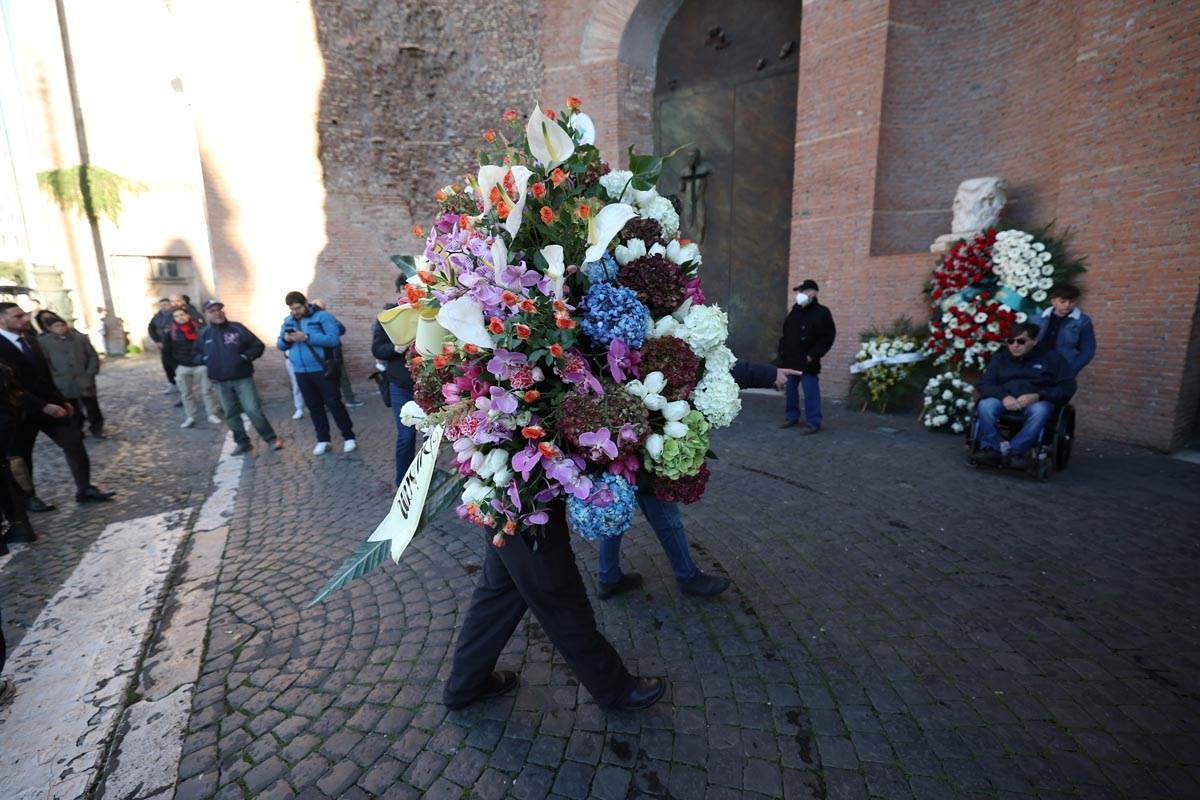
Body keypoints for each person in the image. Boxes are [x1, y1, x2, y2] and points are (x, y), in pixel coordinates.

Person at [597, 360, 801, 600]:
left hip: (619, 438)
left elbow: (710, 365)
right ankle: (686, 577)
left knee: (617, 508)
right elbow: (710, 366)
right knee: (652, 510)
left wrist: (767, 372)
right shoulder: (646, 336)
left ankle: (609, 577)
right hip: (634, 438)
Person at [443, 500, 666, 712]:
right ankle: (613, 687)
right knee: (559, 594)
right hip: (524, 503)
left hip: (506, 500)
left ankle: (465, 683)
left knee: (499, 593)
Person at [0, 302, 114, 505]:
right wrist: (42, 405)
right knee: (21, 457)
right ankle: (28, 499)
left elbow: (45, 376)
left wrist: (62, 401)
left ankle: (85, 489)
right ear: (2, 320)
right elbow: (8, 387)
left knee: (74, 443)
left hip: (51, 406)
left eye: (24, 315)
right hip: (20, 411)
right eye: (18, 317)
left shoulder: (31, 339)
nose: (26, 319)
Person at [975, 321, 1077, 468]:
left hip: (1036, 401)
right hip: (1004, 399)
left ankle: (1017, 451)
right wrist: (1003, 396)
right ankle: (992, 449)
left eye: (1021, 341)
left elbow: (1067, 386)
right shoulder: (1000, 358)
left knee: (1041, 410)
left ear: (1035, 341)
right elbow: (985, 383)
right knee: (985, 405)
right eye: (1011, 341)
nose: (1015, 345)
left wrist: (1038, 395)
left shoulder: (1053, 359)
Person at [197, 300, 283, 456]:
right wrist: (204, 360)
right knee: (230, 413)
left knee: (253, 409)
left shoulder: (237, 328)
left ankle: (271, 438)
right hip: (219, 381)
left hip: (242, 378)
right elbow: (195, 354)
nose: (218, 313)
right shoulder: (204, 334)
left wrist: (244, 357)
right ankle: (243, 442)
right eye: (212, 311)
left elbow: (258, 346)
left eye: (219, 309)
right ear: (206, 314)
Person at [276, 291, 356, 455]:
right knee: (314, 406)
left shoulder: (323, 317)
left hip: (321, 368)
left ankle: (349, 437)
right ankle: (323, 439)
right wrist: (286, 340)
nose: (295, 312)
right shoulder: (288, 321)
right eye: (292, 309)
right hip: (300, 371)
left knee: (334, 403)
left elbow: (333, 339)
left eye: (298, 308)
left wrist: (306, 336)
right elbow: (280, 344)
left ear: (305, 304)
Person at [777, 279, 836, 434]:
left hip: (807, 362)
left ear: (813, 293)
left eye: (803, 291)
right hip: (790, 361)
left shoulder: (822, 312)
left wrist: (813, 355)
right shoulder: (794, 313)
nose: (800, 294)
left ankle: (814, 421)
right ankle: (792, 416)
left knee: (810, 391)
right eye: (799, 292)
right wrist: (781, 355)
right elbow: (785, 335)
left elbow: (827, 337)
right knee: (790, 391)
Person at [36, 311, 105, 439]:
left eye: (62, 325)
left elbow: (92, 356)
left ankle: (97, 428)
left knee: (92, 406)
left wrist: (90, 373)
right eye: (57, 326)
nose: (61, 328)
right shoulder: (44, 342)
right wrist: (54, 377)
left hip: (84, 379)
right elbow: (45, 362)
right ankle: (77, 430)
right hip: (63, 382)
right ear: (50, 329)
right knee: (72, 409)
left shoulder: (80, 338)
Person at [371, 291, 416, 486]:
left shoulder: (427, 311)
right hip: (401, 384)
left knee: (432, 435)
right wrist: (395, 348)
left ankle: (427, 480)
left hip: (428, 384)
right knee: (406, 435)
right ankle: (403, 483)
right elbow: (377, 349)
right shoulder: (388, 316)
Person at [163, 306, 222, 428]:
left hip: (200, 365)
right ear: (173, 318)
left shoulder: (200, 329)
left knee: (207, 391)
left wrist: (206, 361)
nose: (180, 317)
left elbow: (208, 346)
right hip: (182, 367)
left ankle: (211, 414)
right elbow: (166, 354)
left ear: (188, 315)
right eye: (177, 316)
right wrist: (176, 367)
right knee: (186, 394)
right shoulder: (170, 333)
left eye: (182, 315)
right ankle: (190, 417)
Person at [310, 299, 364, 408]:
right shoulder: (311, 321)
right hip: (320, 357)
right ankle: (328, 404)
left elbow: (342, 330)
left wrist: (333, 322)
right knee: (324, 381)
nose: (321, 310)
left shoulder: (329, 318)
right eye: (318, 307)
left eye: (322, 308)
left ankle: (350, 399)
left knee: (343, 377)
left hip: (335, 355)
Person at [1036, 284, 1096, 378]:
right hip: (1036, 366)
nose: (1067, 305)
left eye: (1071, 301)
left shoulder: (1082, 321)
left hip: (1063, 368)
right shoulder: (1038, 318)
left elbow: (1088, 349)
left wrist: (1072, 369)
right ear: (1053, 301)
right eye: (1063, 301)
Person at [148, 298, 177, 394]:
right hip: (163, 345)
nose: (163, 307)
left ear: (170, 305)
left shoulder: (176, 314)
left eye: (165, 304)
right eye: (161, 305)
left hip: (175, 345)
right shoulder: (157, 316)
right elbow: (151, 328)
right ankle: (172, 383)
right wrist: (157, 341)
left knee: (177, 364)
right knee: (166, 365)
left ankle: (182, 384)